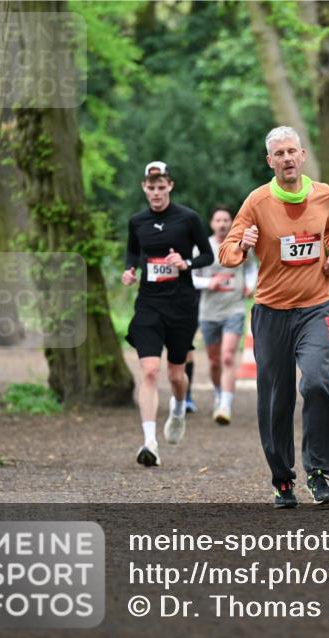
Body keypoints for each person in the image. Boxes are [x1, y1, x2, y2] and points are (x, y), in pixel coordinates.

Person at [219, 126, 329, 508]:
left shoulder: (324, 194)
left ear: (302, 155)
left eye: (292, 151)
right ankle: (283, 479)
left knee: (318, 381)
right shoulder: (257, 202)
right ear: (269, 161)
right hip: (272, 313)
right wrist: (242, 244)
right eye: (279, 153)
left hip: (315, 307)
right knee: (276, 398)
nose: (287, 158)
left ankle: (318, 472)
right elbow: (226, 253)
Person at [122, 161, 213, 467]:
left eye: (162, 187)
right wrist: (129, 269)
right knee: (148, 371)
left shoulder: (188, 218)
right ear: (144, 188)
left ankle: (177, 409)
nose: (157, 193)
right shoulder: (137, 221)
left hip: (181, 305)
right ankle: (150, 442)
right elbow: (133, 251)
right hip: (148, 304)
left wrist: (186, 262)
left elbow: (208, 254)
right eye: (151, 188)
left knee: (176, 374)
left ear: (170, 186)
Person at [192, 205, 258, 425]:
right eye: (218, 220)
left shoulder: (240, 245)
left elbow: (251, 268)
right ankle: (219, 393)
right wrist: (210, 282)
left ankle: (225, 405)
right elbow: (191, 276)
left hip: (234, 308)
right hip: (209, 312)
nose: (222, 224)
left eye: (226, 220)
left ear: (231, 223)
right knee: (214, 361)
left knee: (228, 355)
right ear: (212, 224)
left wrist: (250, 285)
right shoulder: (202, 248)